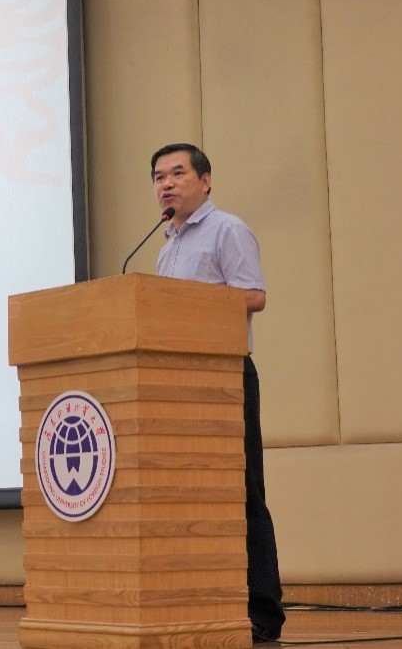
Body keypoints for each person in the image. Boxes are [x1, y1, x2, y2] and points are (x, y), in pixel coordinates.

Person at [150, 142, 285, 644]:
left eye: (177, 173)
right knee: (191, 497)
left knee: (243, 494)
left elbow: (255, 295)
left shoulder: (228, 229)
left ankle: (262, 611)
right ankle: (205, 603)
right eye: (158, 177)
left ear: (205, 181)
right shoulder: (166, 246)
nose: (166, 183)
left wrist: (192, 304)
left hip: (225, 379)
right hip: (177, 385)